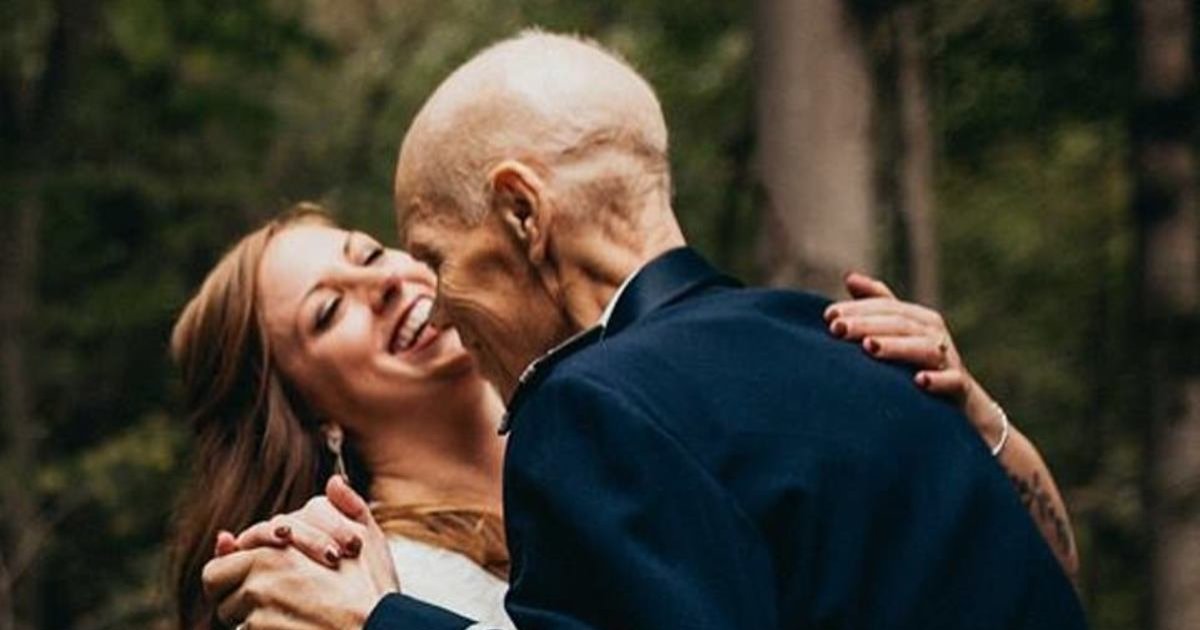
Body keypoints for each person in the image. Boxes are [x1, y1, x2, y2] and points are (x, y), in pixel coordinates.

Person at [200, 31, 1086, 629]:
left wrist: (380, 622)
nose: (421, 289)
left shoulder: (590, 411)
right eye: (329, 307)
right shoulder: (829, 336)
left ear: (522, 216)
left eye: (424, 254)